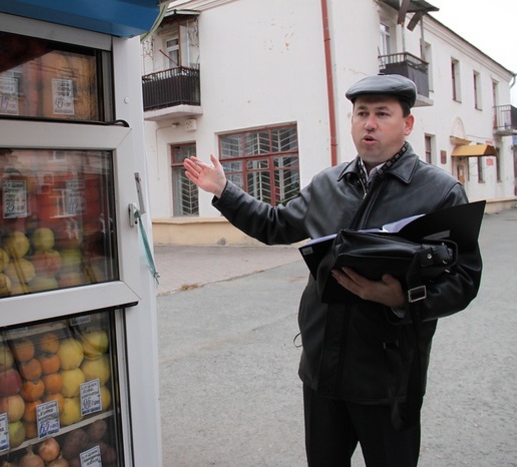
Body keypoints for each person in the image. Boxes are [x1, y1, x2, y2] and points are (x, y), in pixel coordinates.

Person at [183, 74, 482, 467]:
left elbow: (464, 279)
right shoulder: (327, 183)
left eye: (381, 114)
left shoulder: (439, 192)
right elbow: (275, 224)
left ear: (407, 124)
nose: (368, 123)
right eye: (361, 113)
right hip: (323, 373)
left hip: (389, 381)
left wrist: (403, 297)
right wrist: (225, 190)